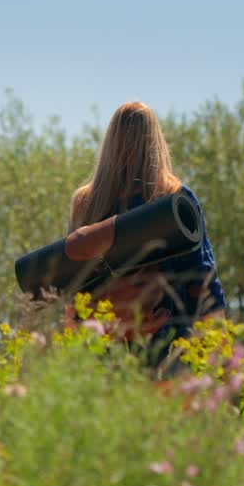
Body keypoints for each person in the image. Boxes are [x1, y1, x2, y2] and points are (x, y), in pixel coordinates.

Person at [68, 101, 226, 370]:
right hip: (172, 348)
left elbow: (73, 285)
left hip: (106, 349)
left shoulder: (86, 202)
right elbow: (203, 277)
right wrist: (219, 351)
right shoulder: (175, 197)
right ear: (156, 142)